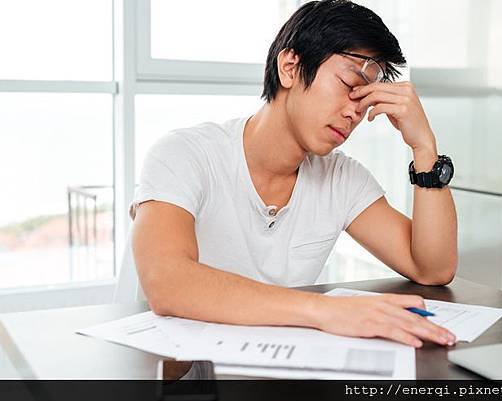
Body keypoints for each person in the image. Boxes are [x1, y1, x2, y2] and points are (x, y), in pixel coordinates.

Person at [130, 0, 458, 348]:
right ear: (290, 67)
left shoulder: (340, 178)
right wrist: (329, 311)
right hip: (173, 374)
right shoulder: (185, 154)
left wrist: (425, 148)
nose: (354, 112)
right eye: (349, 85)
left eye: (365, 99)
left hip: (269, 371)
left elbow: (432, 269)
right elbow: (167, 282)